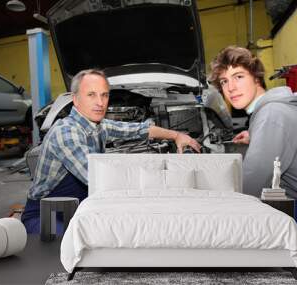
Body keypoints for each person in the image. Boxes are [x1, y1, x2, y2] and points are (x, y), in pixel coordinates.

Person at [21, 69, 201, 234]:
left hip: (77, 209)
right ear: (75, 99)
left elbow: (141, 129)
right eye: (91, 95)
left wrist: (176, 135)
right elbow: (98, 179)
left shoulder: (99, 126)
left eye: (104, 95)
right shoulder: (66, 132)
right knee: (77, 243)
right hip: (45, 216)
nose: (100, 103)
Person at [208, 46, 297, 233]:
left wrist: (211, 198)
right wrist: (255, 134)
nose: (231, 88)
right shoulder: (276, 109)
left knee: (233, 218)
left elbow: (250, 185)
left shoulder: (272, 116)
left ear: (256, 78)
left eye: (239, 77)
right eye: (224, 81)